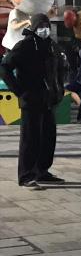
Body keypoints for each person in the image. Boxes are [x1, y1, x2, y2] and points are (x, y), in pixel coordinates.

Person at [0, 13, 66, 189]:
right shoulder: (24, 46)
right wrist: (19, 90)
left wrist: (59, 89)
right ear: (34, 28)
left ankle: (42, 171)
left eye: (47, 26)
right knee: (30, 139)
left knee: (48, 138)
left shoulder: (52, 46)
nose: (44, 29)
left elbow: (60, 69)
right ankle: (26, 175)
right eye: (41, 26)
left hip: (49, 100)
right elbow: (5, 68)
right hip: (31, 100)